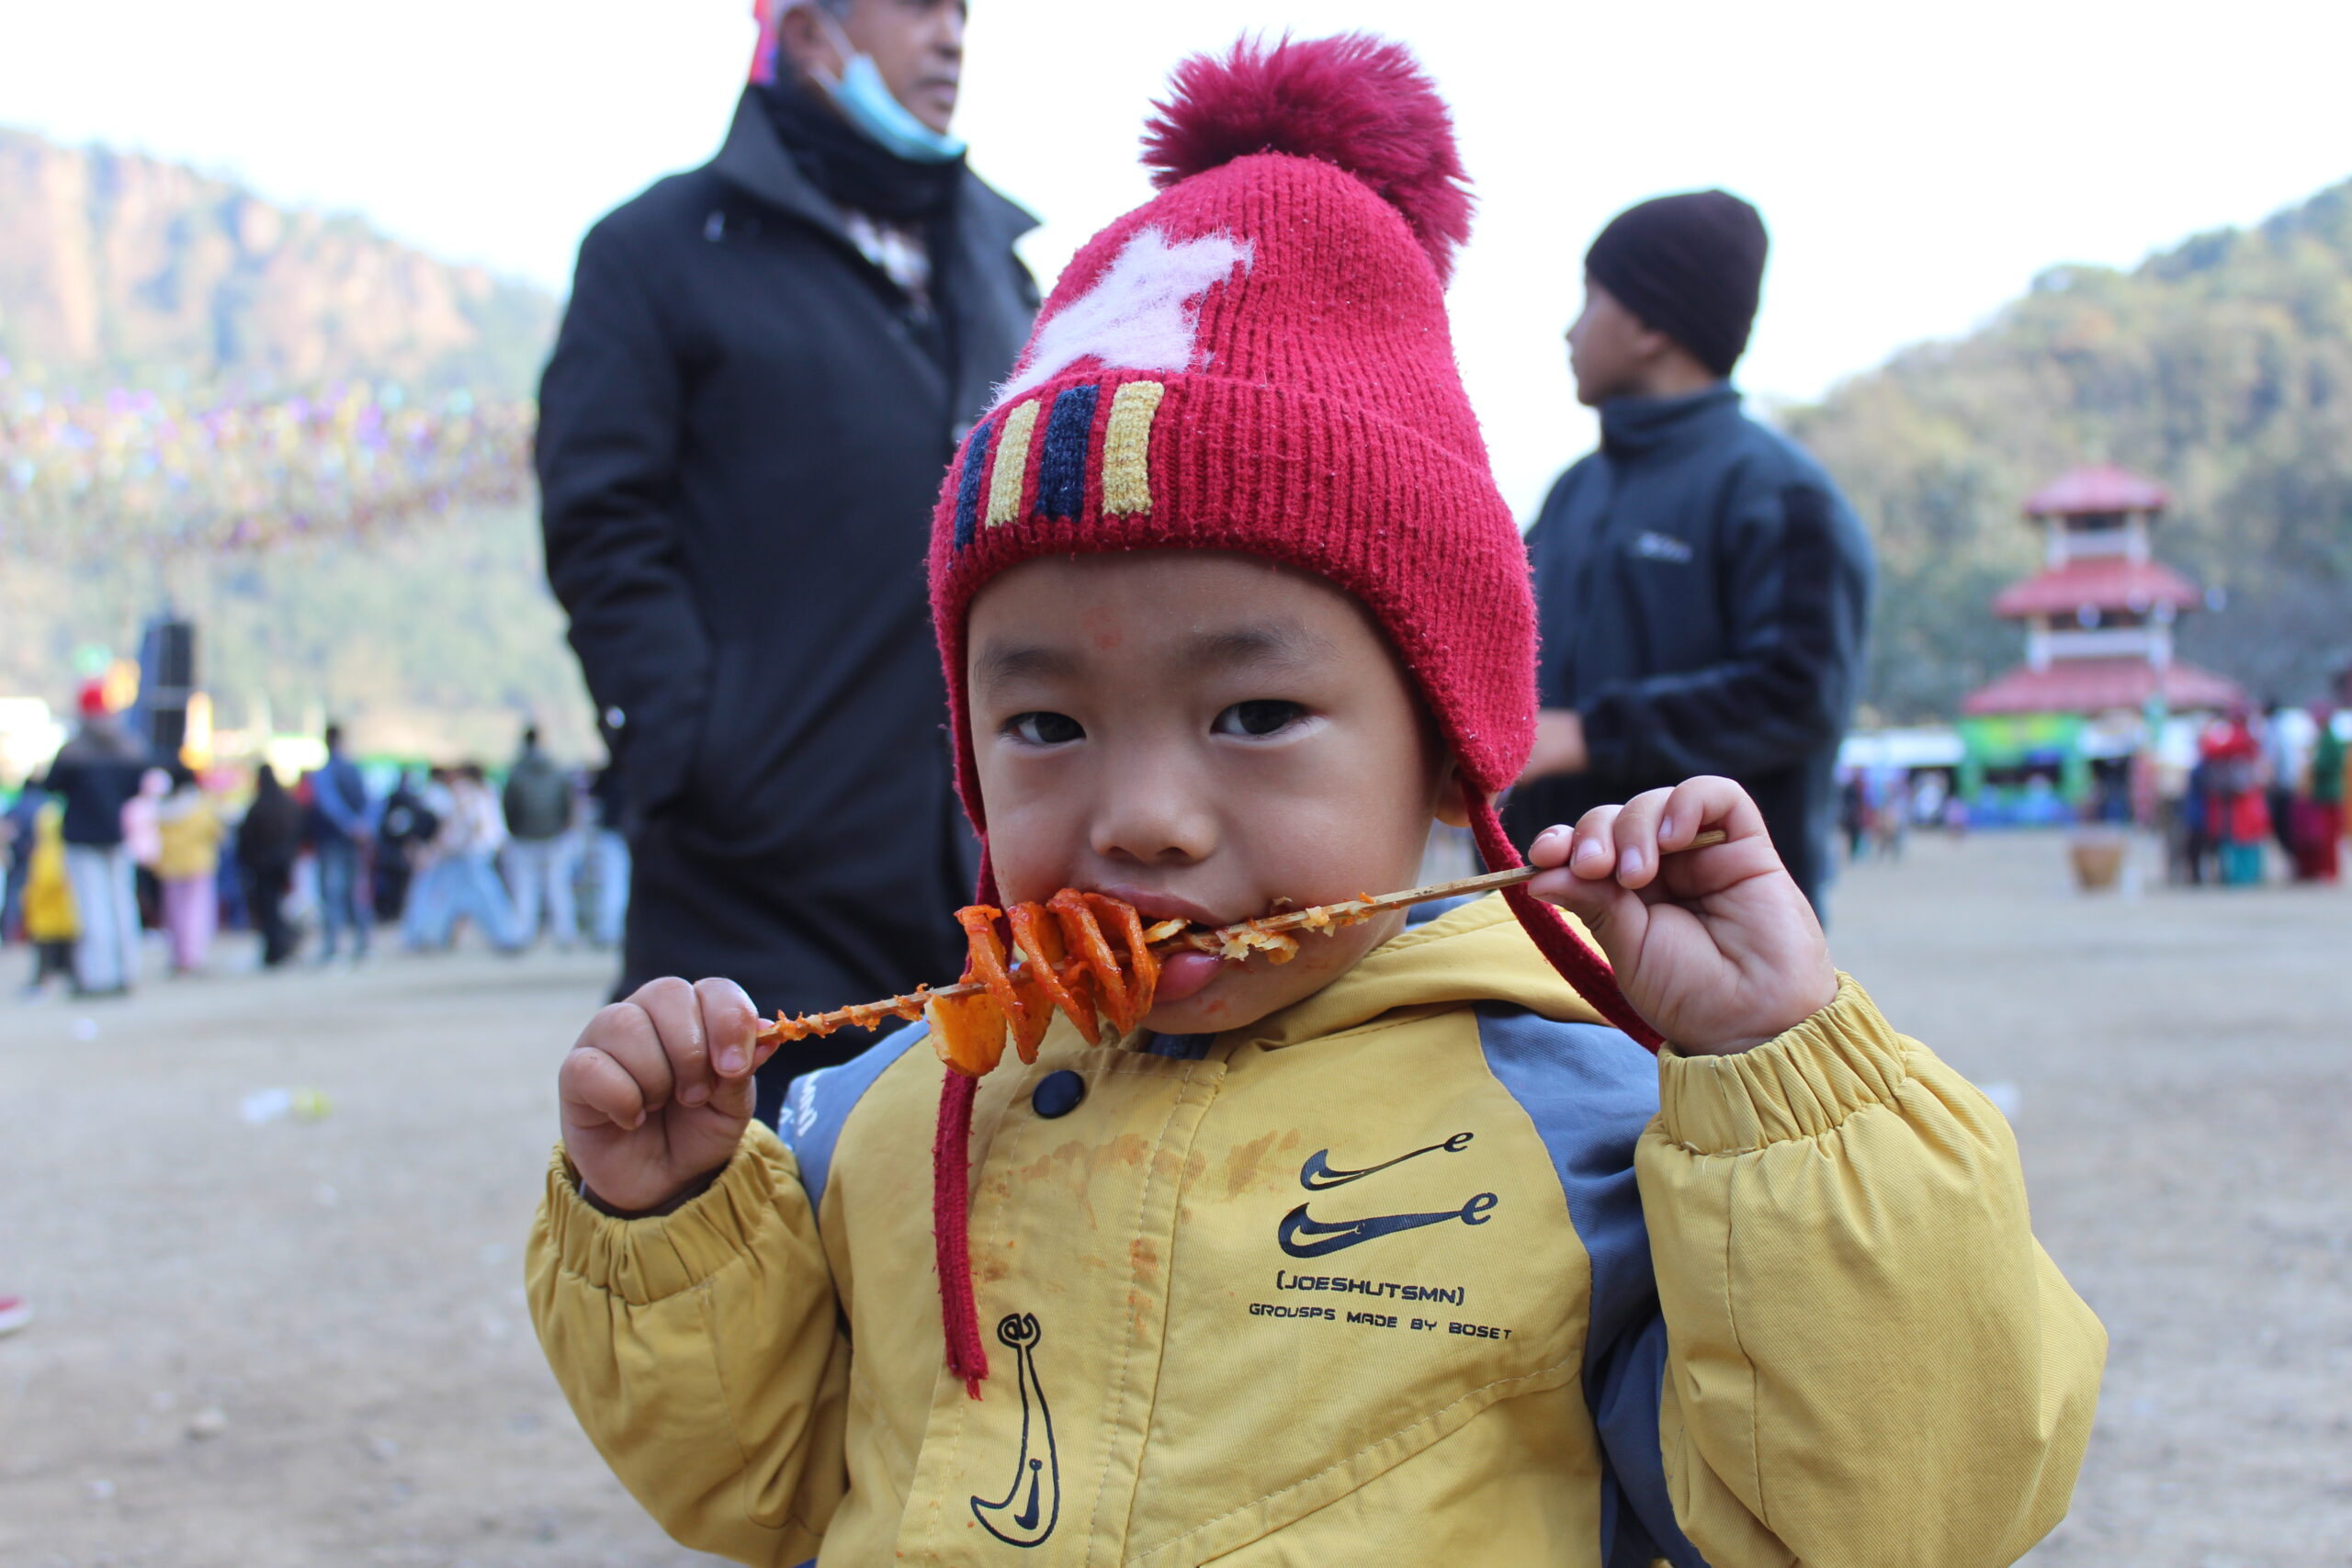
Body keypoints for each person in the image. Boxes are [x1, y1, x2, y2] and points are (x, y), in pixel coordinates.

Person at [524, 39, 2101, 1565]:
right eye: (1048, 721)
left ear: (1441, 742)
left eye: (1257, 713)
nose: (1142, 814)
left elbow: (1890, 1516)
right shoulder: (883, 1114)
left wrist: (1777, 1081)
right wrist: (665, 1221)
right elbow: (770, 1486)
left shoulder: (1594, 1125)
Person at [536, 0, 1041, 1120]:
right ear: (812, 32)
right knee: (739, 1239)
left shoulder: (1000, 271)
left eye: (964, 12)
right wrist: (695, 746)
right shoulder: (657, 252)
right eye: (918, 8)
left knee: (962, 1248)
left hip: (976, 873)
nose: (952, 36)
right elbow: (600, 521)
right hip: (750, 873)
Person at [1503, 191, 1874, 917]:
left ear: (1648, 324)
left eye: (1590, 298)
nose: (1569, 329)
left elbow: (1798, 697)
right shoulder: (1572, 491)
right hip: (1548, 916)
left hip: (1719, 930)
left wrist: (1585, 734)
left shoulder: (1783, 495)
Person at [39, 682, 151, 996]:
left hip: (81, 838)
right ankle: (126, 969)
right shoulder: (128, 746)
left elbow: (51, 786)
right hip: (117, 834)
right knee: (122, 905)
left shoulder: (74, 750)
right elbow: (137, 787)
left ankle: (97, 975)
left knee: (93, 909)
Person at [413, 764, 523, 953]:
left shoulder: (465, 791)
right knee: (470, 895)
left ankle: (506, 935)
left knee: (475, 895)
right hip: (477, 851)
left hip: (469, 852)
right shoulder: (486, 789)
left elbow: (467, 823)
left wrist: (447, 846)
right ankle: (505, 935)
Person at [501, 724, 579, 949]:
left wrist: (515, 831)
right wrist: (563, 827)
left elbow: (509, 805)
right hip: (555, 836)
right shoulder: (556, 768)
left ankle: (523, 934)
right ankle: (565, 934)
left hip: (524, 838)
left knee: (525, 889)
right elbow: (567, 802)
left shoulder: (516, 770)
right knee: (558, 887)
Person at [310, 724, 374, 963]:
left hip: (332, 841)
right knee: (356, 891)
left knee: (332, 893)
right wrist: (363, 826)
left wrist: (350, 825)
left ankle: (332, 947)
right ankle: (362, 944)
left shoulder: (324, 772)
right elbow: (371, 801)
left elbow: (329, 804)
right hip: (355, 840)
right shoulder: (355, 768)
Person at [155, 765, 226, 974]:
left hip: (170, 864)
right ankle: (193, 955)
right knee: (196, 911)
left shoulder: (163, 807)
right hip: (198, 863)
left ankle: (179, 955)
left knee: (174, 912)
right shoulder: (202, 805)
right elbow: (216, 832)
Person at [235, 765, 303, 968]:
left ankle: (275, 949)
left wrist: (248, 862)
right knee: (281, 907)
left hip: (262, 867)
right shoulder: (288, 804)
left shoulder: (258, 806)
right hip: (283, 864)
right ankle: (281, 946)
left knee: (269, 909)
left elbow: (245, 840)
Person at [18, 795, 76, 996]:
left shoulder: (47, 848)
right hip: (56, 912)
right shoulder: (55, 848)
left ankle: (48, 977)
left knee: (52, 941)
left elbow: (45, 881)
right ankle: (65, 975)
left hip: (50, 910)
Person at [2296, 703, 2343, 883]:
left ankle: (2329, 871)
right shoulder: (2323, 738)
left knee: (2328, 836)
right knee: (2322, 836)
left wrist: (2313, 763)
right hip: (2322, 794)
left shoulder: (2329, 740)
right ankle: (2324, 869)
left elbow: (2327, 765)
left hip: (2328, 794)